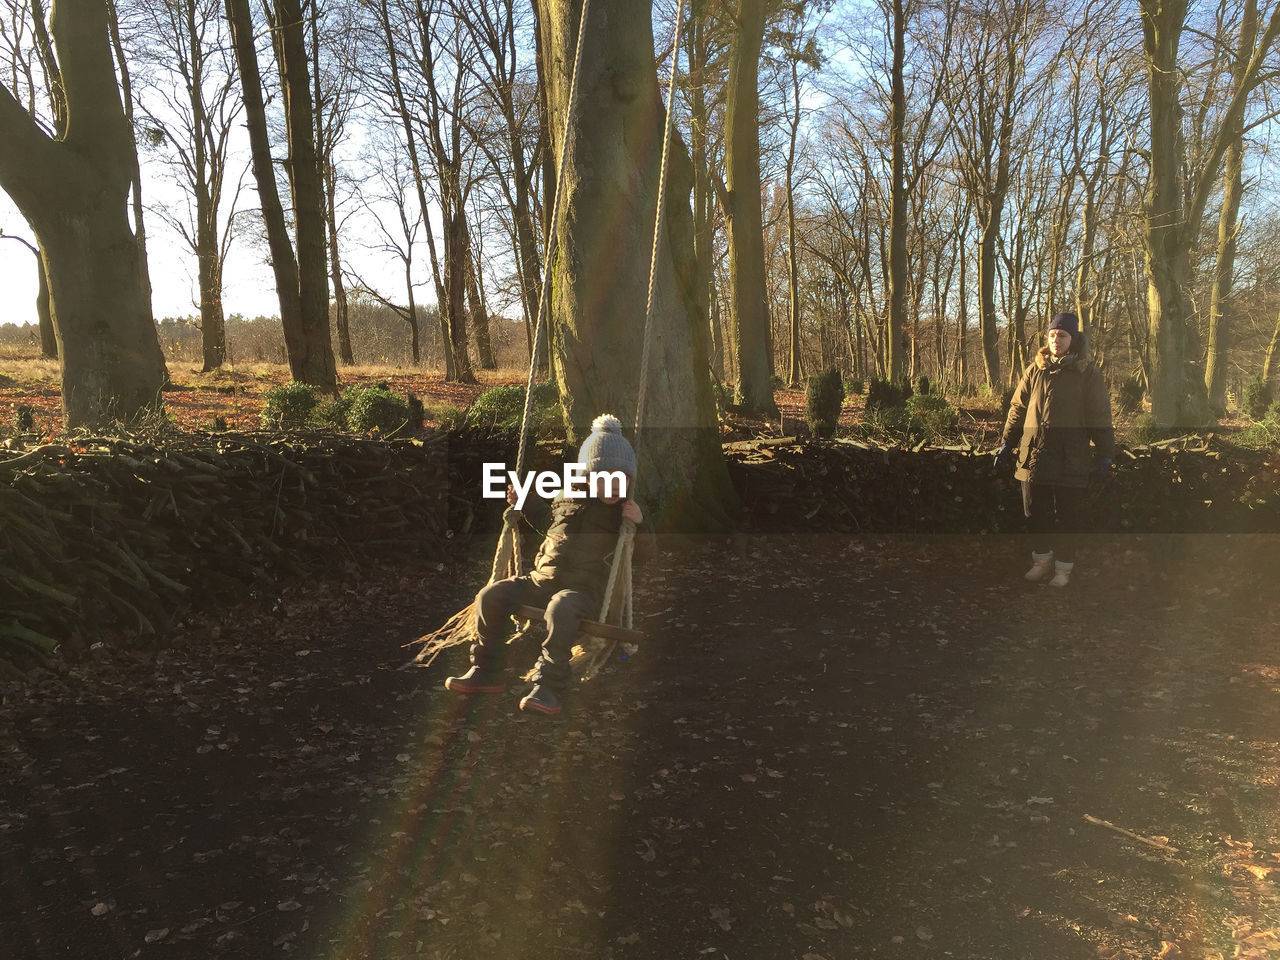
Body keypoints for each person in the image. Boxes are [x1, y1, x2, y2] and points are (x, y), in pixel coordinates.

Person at [445, 414, 647, 716]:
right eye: (605, 476)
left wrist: (639, 526)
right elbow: (547, 525)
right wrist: (525, 502)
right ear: (588, 476)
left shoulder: (626, 513)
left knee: (560, 608)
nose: (614, 484)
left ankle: (548, 686)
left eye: (623, 478)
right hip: (542, 580)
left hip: (584, 591)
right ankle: (486, 671)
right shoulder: (567, 497)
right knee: (490, 596)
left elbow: (644, 556)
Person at [993, 312, 1115, 587]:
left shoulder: (1088, 373)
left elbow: (1099, 415)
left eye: (1062, 335)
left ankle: (1063, 569)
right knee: (1035, 512)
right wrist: (1007, 443)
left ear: (1073, 339)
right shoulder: (1035, 369)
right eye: (1052, 335)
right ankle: (1041, 562)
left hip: (1071, 458)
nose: (1056, 340)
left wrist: (1107, 452)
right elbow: (1018, 408)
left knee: (1069, 516)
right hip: (1035, 455)